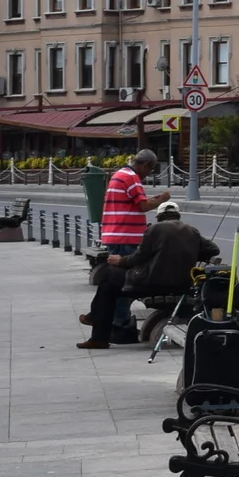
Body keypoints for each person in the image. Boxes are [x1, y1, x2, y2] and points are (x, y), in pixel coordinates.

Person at [80, 150, 165, 350]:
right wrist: (163, 199)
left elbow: (135, 203)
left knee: (112, 284)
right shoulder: (131, 178)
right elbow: (143, 206)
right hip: (125, 238)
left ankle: (100, 318)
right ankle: (119, 323)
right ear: (145, 165)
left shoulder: (120, 175)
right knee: (124, 285)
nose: (148, 174)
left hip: (116, 235)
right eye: (150, 169)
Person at [120, 200, 220, 339]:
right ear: (177, 215)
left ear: (160, 217)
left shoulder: (154, 229)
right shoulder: (192, 231)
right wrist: (193, 252)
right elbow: (214, 249)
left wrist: (121, 261)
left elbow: (139, 257)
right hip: (184, 284)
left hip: (154, 284)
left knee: (116, 281)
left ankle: (119, 326)